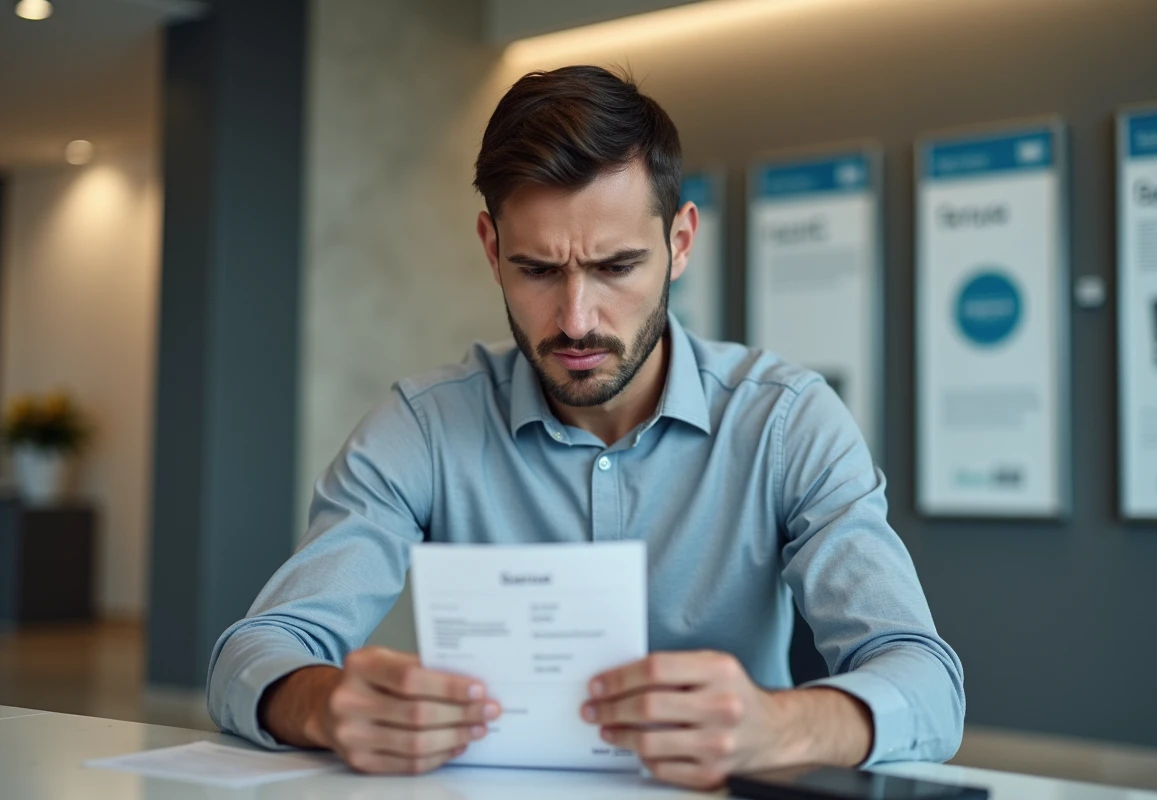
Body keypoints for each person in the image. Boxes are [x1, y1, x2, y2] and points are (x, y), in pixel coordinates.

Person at [207, 65, 964, 791]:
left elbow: (926, 682)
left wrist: (781, 725)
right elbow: (254, 651)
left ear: (681, 243)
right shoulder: (422, 428)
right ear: (491, 248)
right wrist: (324, 705)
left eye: (616, 267)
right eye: (538, 270)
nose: (575, 321)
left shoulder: (786, 421)